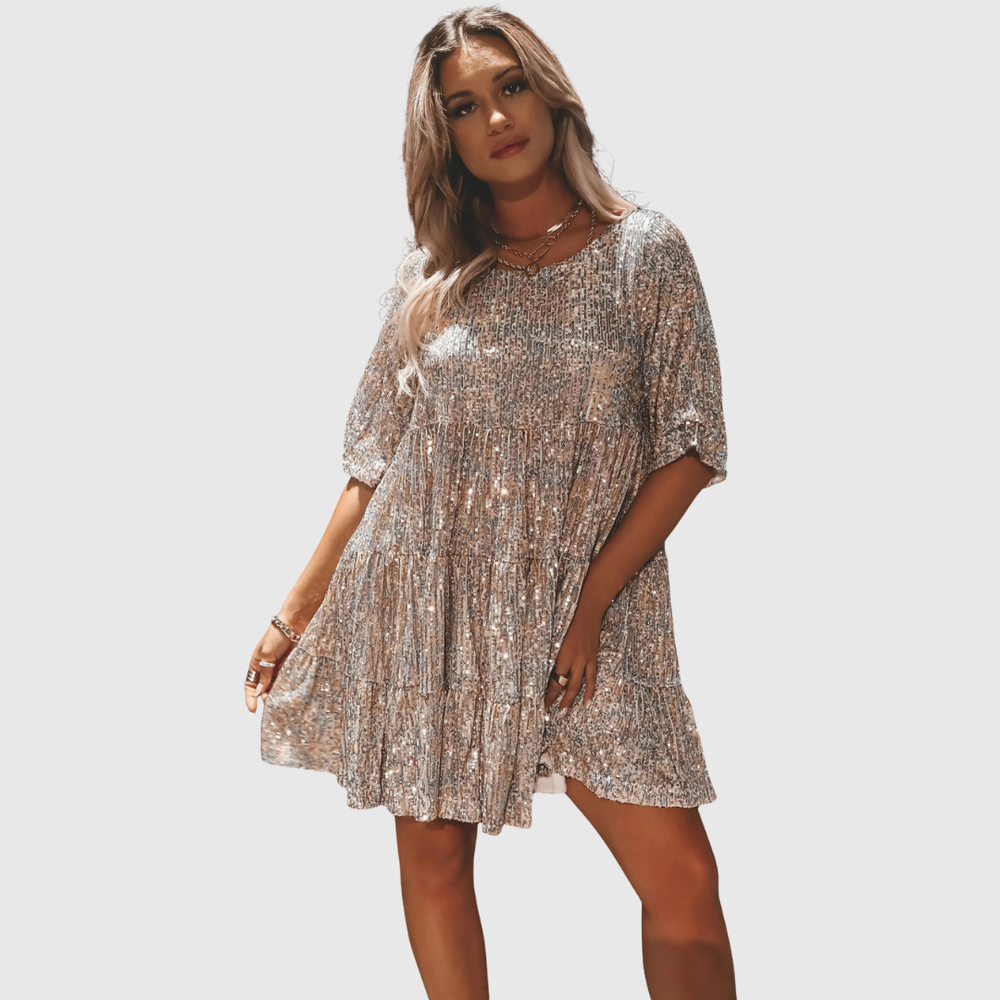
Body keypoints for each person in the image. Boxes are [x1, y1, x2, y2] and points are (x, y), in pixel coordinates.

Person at [245, 7, 738, 998]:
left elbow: (690, 446)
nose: (496, 119)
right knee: (435, 859)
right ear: (446, 138)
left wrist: (589, 603)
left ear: (551, 97)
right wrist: (293, 611)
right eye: (463, 107)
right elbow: (373, 458)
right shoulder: (431, 276)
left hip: (595, 606)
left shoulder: (643, 251)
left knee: (682, 881)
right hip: (435, 602)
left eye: (509, 88)